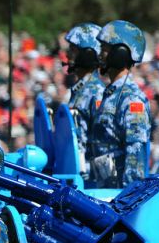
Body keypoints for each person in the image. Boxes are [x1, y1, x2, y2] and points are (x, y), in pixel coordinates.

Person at [87, 20, 151, 188]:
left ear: (121, 53)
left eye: (105, 49)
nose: (100, 54)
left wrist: (127, 201)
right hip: (104, 190)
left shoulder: (131, 99)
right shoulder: (111, 94)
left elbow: (135, 155)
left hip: (119, 199)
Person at [64, 23, 106, 173]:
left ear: (88, 54)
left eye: (73, 50)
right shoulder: (80, 90)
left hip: (89, 180)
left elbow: (103, 145)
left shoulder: (96, 93)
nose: (67, 54)